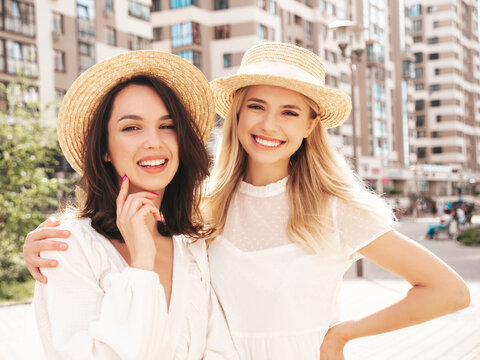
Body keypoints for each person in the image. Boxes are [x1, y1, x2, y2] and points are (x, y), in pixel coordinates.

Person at [25, 43, 470, 359]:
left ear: (312, 125)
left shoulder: (333, 209)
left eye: (290, 111)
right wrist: (49, 239)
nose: (269, 124)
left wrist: (343, 336)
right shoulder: (204, 209)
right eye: (256, 106)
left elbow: (449, 291)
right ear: (236, 113)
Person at [27, 51, 237, 359]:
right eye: (131, 128)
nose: (154, 141)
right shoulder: (67, 247)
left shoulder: (191, 244)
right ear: (104, 150)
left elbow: (220, 349)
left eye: (167, 126)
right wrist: (141, 265)